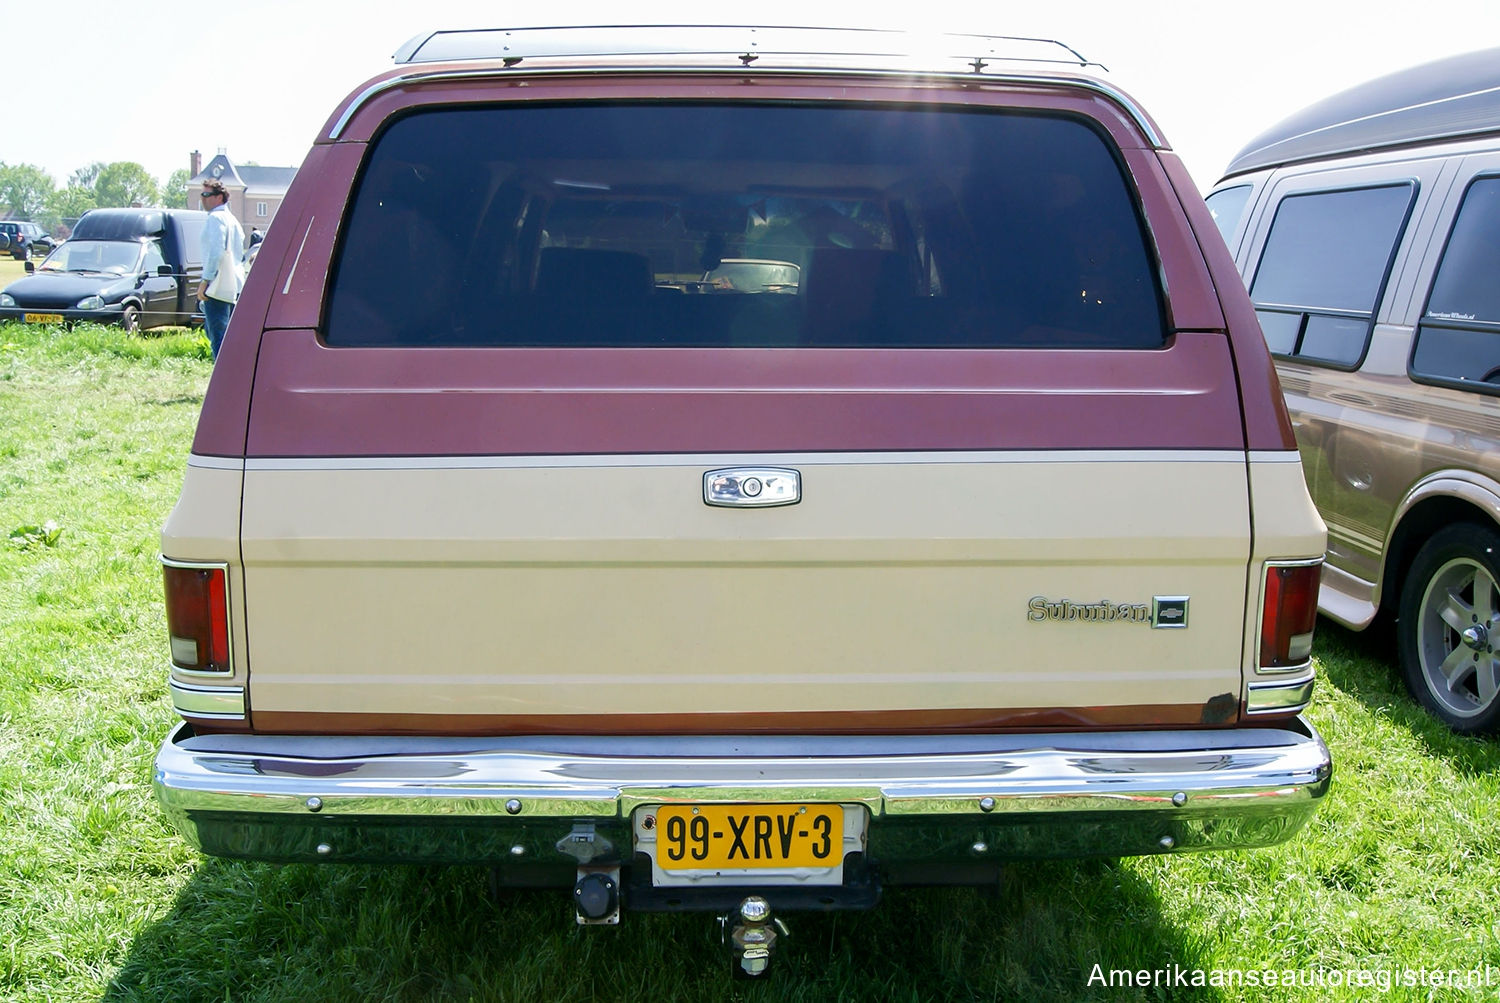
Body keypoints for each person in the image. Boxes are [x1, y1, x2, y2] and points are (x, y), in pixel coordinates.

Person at [197, 178, 245, 358]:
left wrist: (205, 280)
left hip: (218, 284)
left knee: (217, 335)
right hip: (235, 284)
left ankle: (222, 380)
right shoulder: (233, 220)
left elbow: (216, 252)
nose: (202, 199)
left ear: (219, 198)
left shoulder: (215, 218)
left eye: (206, 194)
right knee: (229, 335)